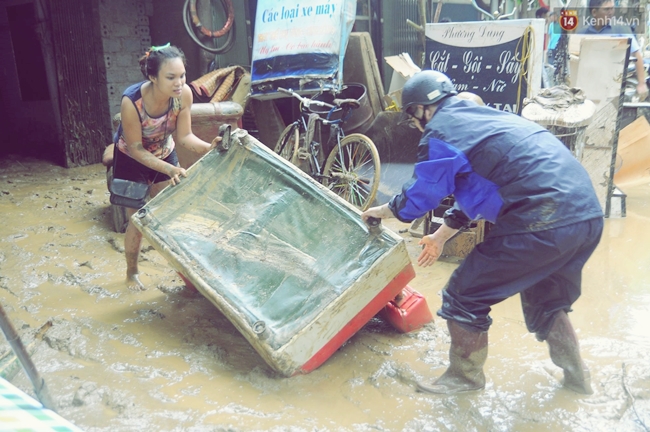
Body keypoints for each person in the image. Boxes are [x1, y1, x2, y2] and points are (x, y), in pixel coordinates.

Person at [361, 70, 603, 395]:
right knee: (546, 302)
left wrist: (384, 210)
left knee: (464, 295)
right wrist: (439, 237)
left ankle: (464, 379)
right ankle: (578, 380)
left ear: (419, 110)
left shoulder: (442, 130)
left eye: (412, 117)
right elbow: (475, 196)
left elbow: (421, 195)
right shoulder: (492, 122)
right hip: (586, 215)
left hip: (542, 217)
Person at [113, 43, 218, 291]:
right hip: (131, 158)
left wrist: (209, 147)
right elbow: (136, 148)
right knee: (138, 221)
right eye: (170, 77)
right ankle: (132, 273)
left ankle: (188, 275)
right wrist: (170, 170)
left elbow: (184, 137)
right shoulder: (132, 102)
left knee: (173, 214)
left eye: (182, 75)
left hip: (164, 151)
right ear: (152, 77)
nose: (179, 83)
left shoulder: (184, 96)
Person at [577, 0, 648, 100]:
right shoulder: (583, 33)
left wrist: (641, 83)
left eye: (612, 8)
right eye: (606, 9)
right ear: (594, 12)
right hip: (589, 88)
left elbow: (636, 54)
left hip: (614, 89)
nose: (611, 12)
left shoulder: (621, 29)